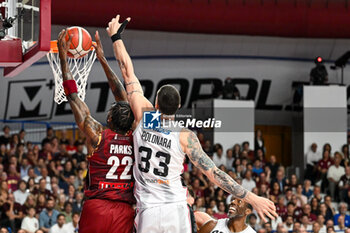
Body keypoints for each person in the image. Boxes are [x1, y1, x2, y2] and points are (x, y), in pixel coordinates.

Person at [107, 14, 277, 233]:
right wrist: (252, 197)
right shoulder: (184, 136)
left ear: (156, 102)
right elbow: (214, 173)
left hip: (148, 209)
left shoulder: (144, 116)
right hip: (176, 209)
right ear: (178, 108)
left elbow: (126, 70)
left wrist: (116, 37)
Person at [57, 29, 135, 233]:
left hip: (97, 207)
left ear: (109, 119)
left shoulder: (97, 135)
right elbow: (123, 97)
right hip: (124, 211)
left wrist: (64, 58)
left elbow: (73, 96)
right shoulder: (135, 138)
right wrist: (102, 58)